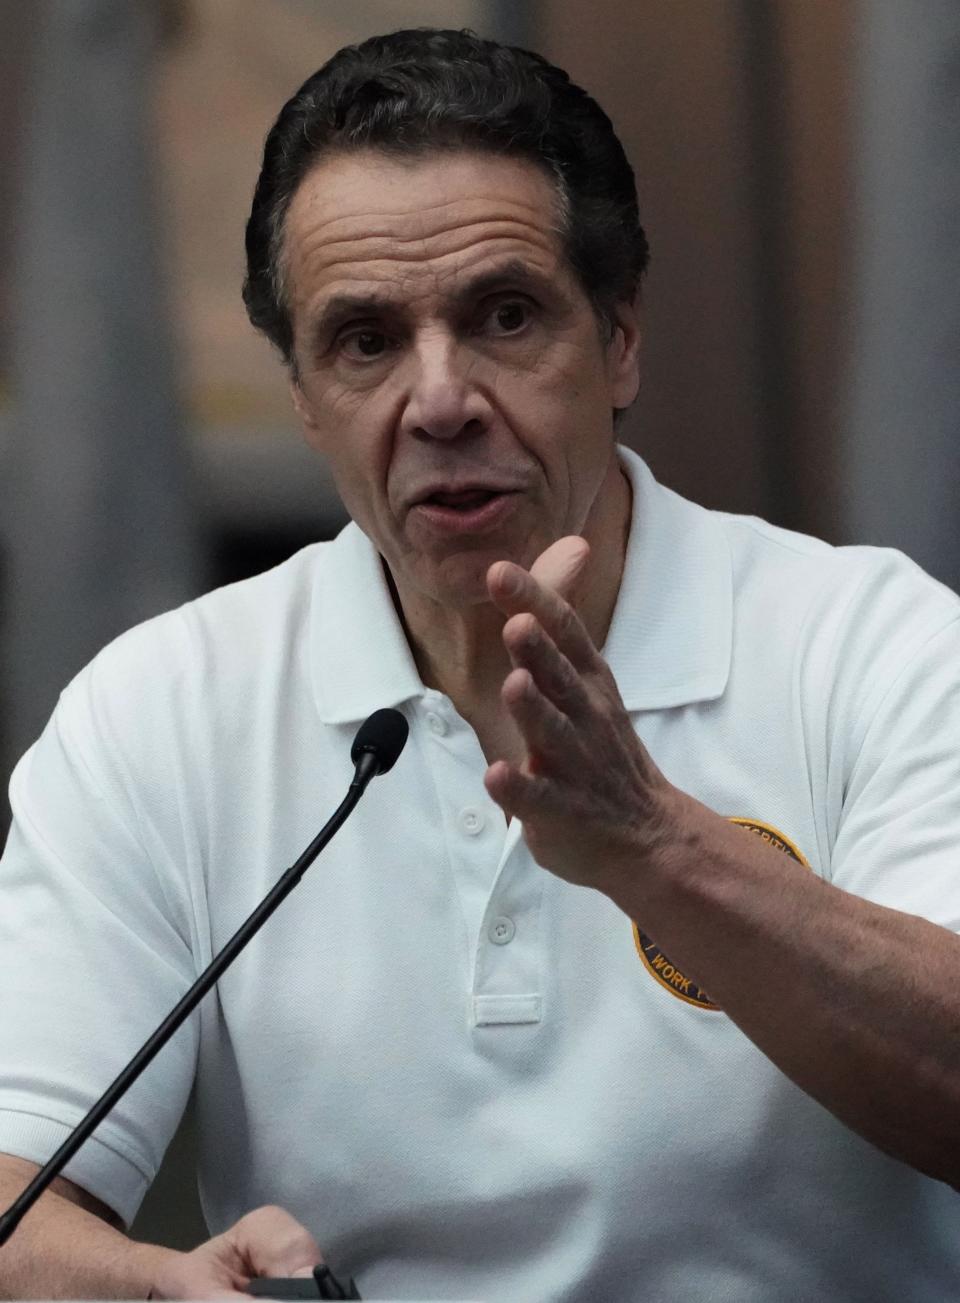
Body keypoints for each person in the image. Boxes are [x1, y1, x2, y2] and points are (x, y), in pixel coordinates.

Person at [2, 26, 960, 1302]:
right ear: (303, 394)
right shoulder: (158, 709)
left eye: (503, 316)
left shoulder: (870, 642)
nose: (439, 397)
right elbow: (20, 1210)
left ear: (619, 342)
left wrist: (657, 848)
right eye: (364, 340)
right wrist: (158, 1289)